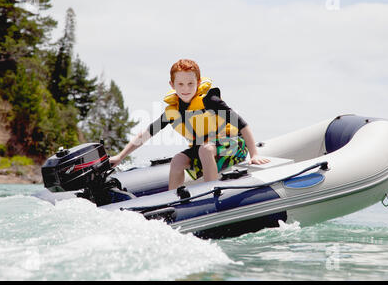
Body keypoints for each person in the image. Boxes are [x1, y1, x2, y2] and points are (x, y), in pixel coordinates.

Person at [109, 59, 269, 190]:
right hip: (205, 150)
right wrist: (120, 156)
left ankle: (211, 192)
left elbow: (242, 125)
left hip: (234, 147)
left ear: (198, 83)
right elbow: (146, 134)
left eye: (190, 84)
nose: (186, 89)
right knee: (178, 160)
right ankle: (172, 201)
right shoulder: (173, 111)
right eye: (180, 84)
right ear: (172, 85)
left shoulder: (210, 101)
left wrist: (254, 154)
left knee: (205, 149)